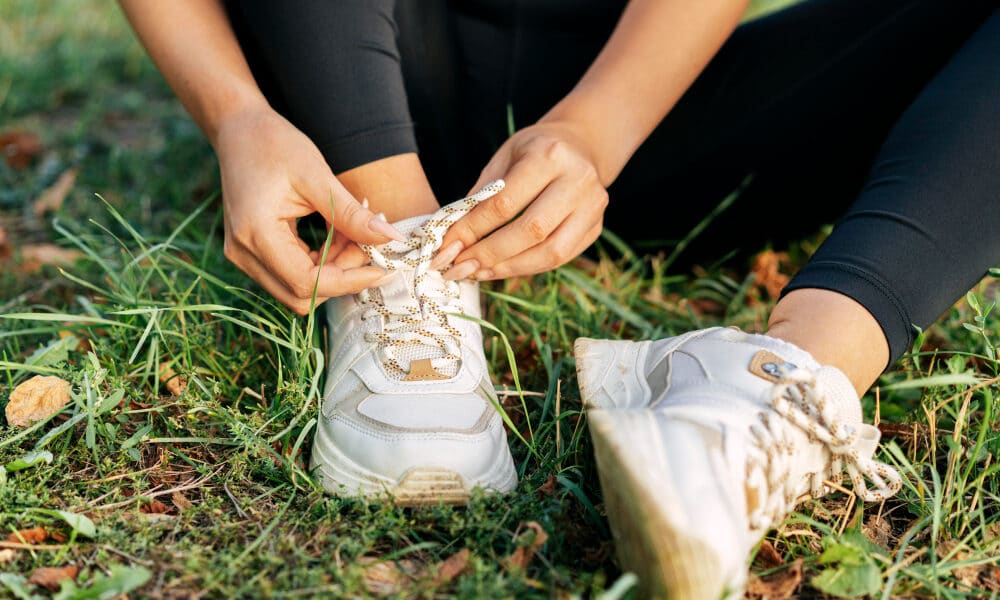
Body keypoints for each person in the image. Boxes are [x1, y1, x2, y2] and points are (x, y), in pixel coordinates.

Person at [117, 0, 1000, 597]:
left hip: (640, 95)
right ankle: (399, 261)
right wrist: (234, 113)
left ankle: (776, 380)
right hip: (345, 77)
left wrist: (594, 131)